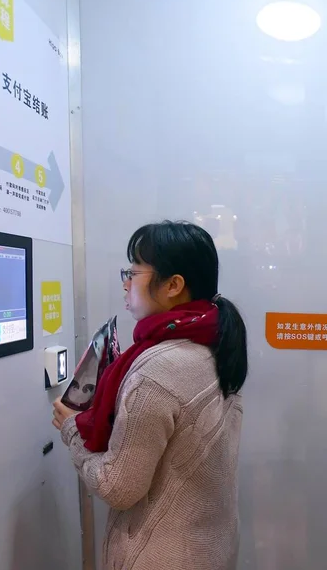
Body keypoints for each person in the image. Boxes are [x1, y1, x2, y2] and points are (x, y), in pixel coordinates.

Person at [53, 220, 247, 570]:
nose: (126, 284)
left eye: (134, 271)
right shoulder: (212, 344)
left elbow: (119, 487)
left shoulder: (157, 369)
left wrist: (71, 430)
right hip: (209, 549)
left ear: (173, 285)